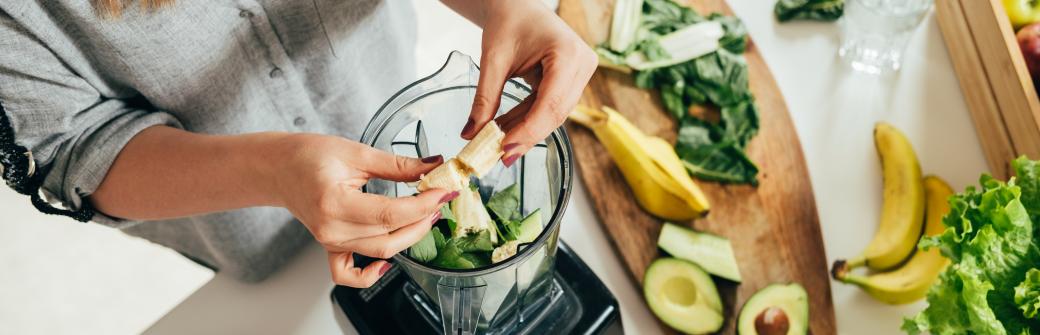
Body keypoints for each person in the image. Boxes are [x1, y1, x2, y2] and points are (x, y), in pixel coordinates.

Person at [0, 0, 596, 287]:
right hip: (235, 209)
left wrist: (503, 6)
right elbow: (72, 144)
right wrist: (274, 171)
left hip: (375, 88)